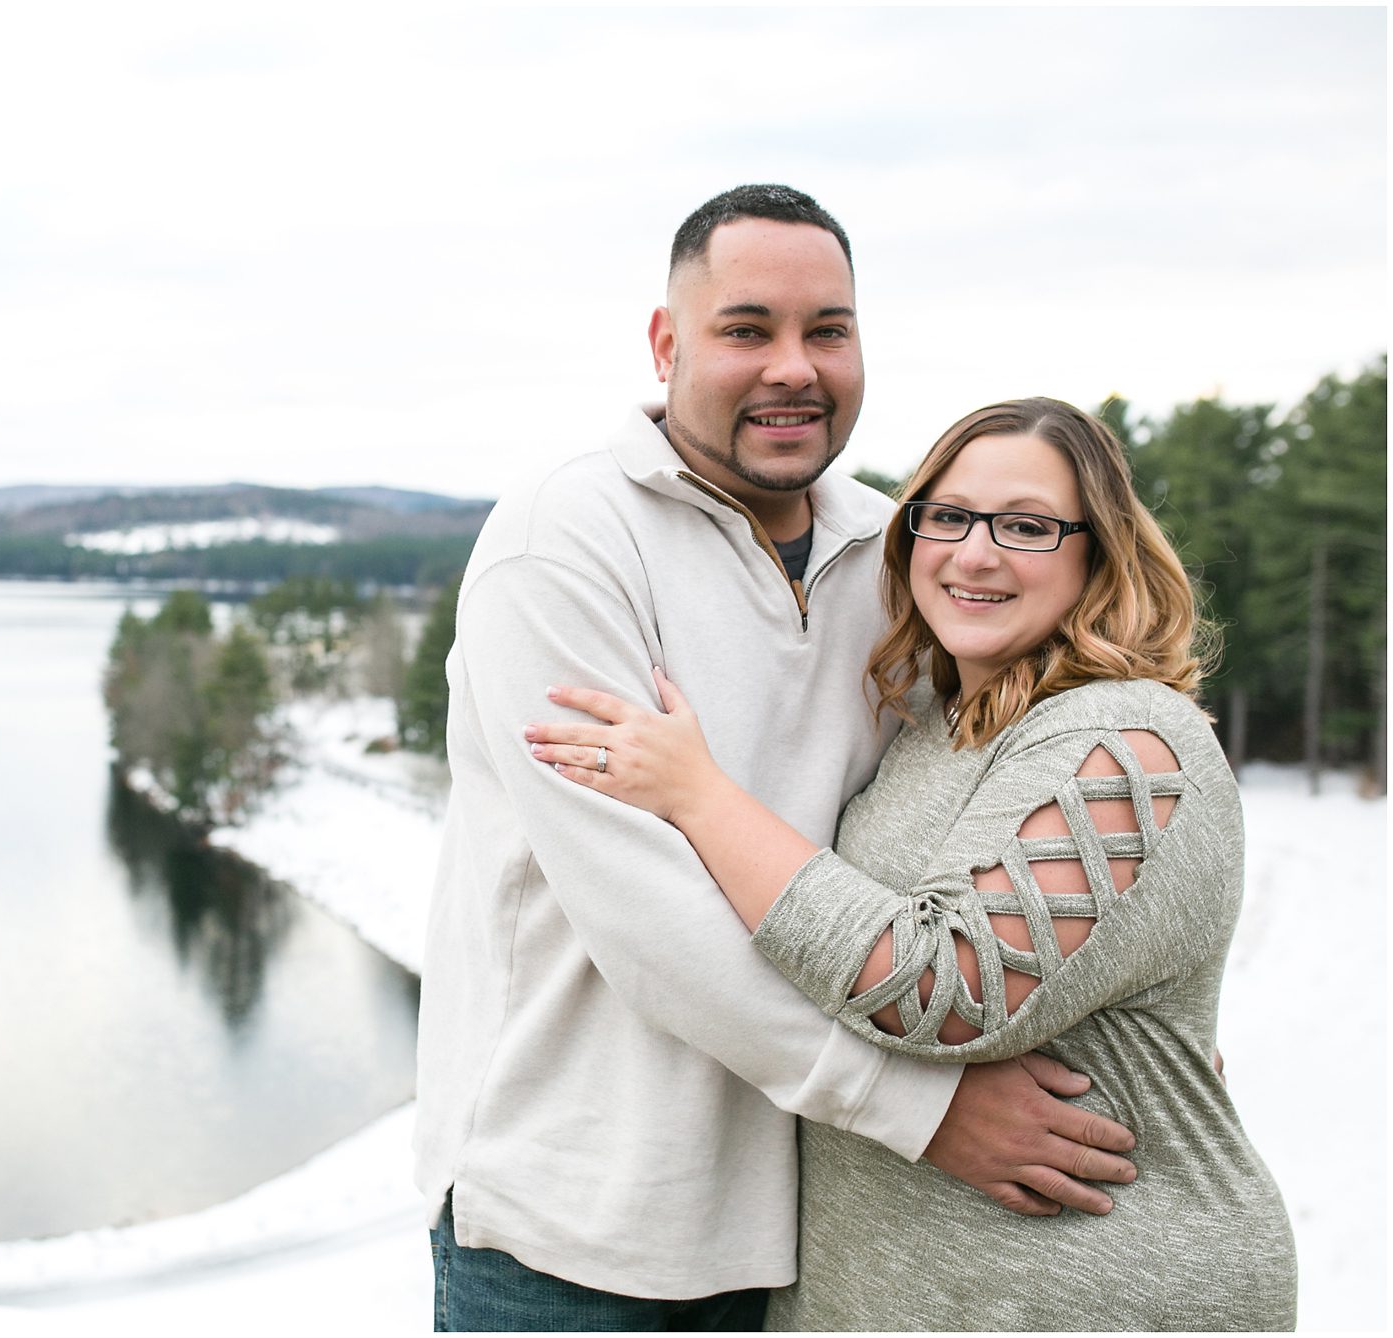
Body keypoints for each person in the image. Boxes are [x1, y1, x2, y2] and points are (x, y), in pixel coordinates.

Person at [415, 184, 1139, 1332]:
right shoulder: (562, 544)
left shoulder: (891, 548)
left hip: (802, 1221)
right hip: (572, 1229)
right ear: (666, 344)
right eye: (745, 329)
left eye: (827, 330)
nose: (792, 367)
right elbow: (646, 920)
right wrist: (923, 1110)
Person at [527, 397, 1297, 1330]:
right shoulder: (939, 723)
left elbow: (946, 984)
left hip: (1087, 1294)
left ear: (1101, 552)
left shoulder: (1128, 738)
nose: (976, 554)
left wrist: (699, 795)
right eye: (949, 515)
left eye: (1027, 526)